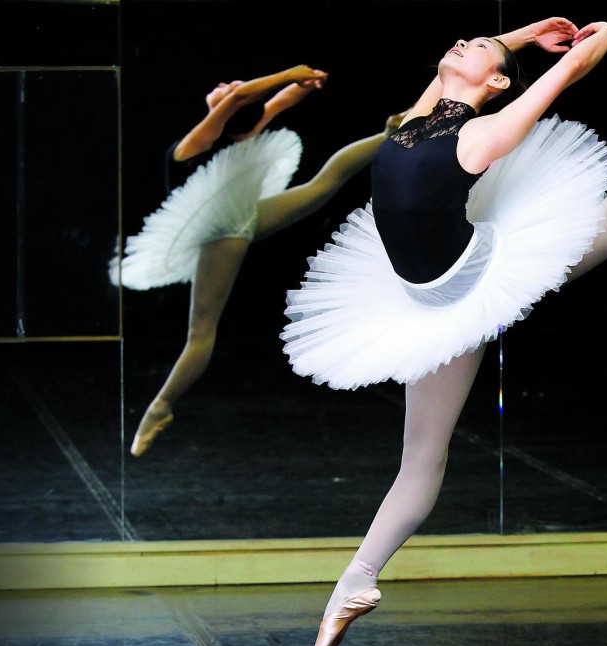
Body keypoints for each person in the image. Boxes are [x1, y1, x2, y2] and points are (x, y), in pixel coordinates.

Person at [278, 17, 607, 646]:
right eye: (461, 40)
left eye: (477, 48)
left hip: (479, 279)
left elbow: (566, 74)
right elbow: (473, 64)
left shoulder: (481, 133)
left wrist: (599, 38)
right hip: (420, 304)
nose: (460, 42)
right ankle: (356, 582)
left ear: (492, 83)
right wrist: (520, 36)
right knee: (420, 458)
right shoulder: (418, 112)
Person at [112, 64, 405, 456]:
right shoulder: (225, 131)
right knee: (322, 183)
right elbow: (252, 99)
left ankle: (159, 406)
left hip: (230, 228)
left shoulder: (206, 137)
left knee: (201, 329)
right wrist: (298, 80)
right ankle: (161, 406)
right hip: (226, 225)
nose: (225, 85)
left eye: (230, 87)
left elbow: (249, 99)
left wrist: (297, 78)